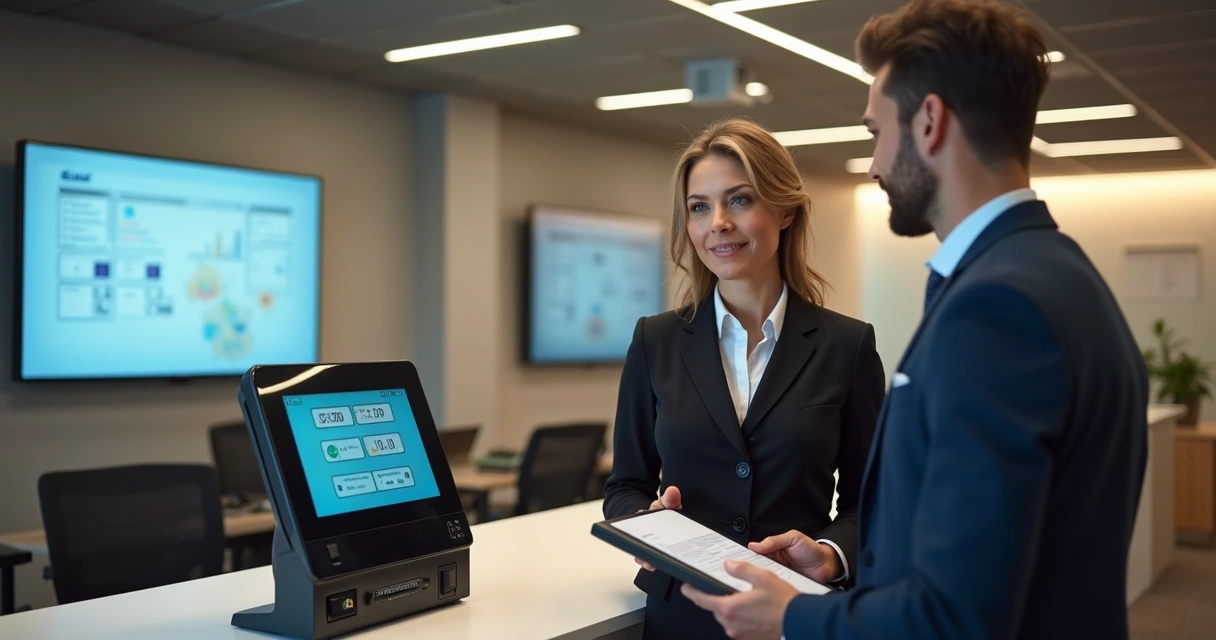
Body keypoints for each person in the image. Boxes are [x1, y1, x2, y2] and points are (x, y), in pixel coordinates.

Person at [681, 2, 1150, 639]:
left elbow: (956, 614)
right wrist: (831, 558)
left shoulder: (994, 311)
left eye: (878, 132)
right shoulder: (1059, 273)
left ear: (929, 121)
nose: (873, 164)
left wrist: (794, 617)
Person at [603, 118, 886, 639]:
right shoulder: (655, 340)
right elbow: (626, 485)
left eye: (739, 200)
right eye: (699, 207)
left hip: (795, 615)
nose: (718, 224)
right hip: (682, 616)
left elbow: (874, 500)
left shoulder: (847, 346)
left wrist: (830, 555)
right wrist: (645, 525)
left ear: (784, 211)